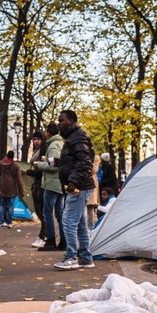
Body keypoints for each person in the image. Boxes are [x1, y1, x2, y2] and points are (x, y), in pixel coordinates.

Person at [54, 110, 96, 270]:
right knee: (80, 224)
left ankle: (71, 257)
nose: (59, 123)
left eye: (62, 120)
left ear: (71, 120)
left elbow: (85, 163)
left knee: (69, 221)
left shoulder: (78, 136)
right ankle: (85, 258)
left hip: (79, 187)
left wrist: (73, 181)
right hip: (81, 185)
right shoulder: (74, 137)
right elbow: (79, 160)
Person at [36, 123, 64, 252]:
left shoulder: (53, 146)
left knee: (47, 212)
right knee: (59, 213)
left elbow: (53, 166)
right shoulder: (59, 144)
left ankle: (51, 239)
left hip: (52, 184)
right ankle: (63, 240)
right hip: (58, 184)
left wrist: (40, 164)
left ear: (48, 132)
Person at [25, 131, 47, 247]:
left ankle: (43, 236)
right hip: (36, 184)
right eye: (34, 139)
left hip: (41, 185)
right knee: (39, 211)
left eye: (38, 139)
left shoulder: (43, 152)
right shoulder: (35, 151)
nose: (36, 141)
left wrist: (29, 172)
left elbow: (43, 170)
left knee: (42, 212)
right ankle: (46, 234)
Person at [0, 151, 24, 229]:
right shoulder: (16, 166)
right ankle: (9, 222)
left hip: (1, 187)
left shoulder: (0, 163)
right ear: (13, 157)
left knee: (1, 205)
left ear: (6, 155)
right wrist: (21, 192)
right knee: (10, 206)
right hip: (12, 188)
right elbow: (19, 180)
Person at [86, 154, 101, 230]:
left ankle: (90, 227)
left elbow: (93, 170)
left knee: (90, 207)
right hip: (83, 183)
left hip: (91, 183)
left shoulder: (95, 158)